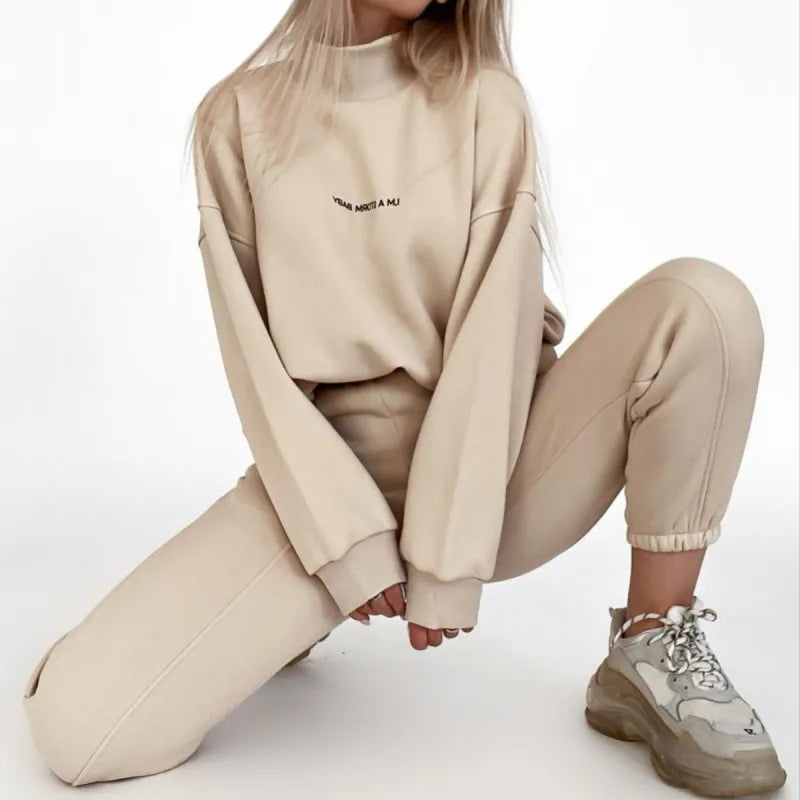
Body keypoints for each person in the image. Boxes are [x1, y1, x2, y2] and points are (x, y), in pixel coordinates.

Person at [21, 0, 787, 796]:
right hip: (325, 488)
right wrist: (342, 544)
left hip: (504, 475)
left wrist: (446, 557)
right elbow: (256, 369)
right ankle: (289, 616)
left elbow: (493, 341)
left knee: (706, 307)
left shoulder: (486, 100)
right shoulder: (236, 118)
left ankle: (654, 640)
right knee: (79, 731)